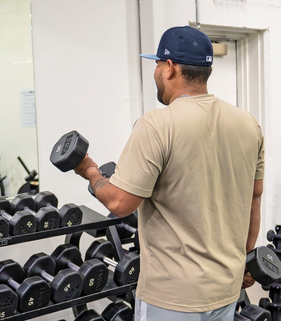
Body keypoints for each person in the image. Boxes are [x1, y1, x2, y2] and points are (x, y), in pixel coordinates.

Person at [73, 26, 264, 320]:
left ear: (170, 68)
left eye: (157, 65)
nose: (156, 73)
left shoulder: (156, 124)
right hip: (225, 290)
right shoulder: (248, 124)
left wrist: (90, 171)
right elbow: (254, 198)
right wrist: (244, 260)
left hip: (173, 298)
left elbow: (120, 204)